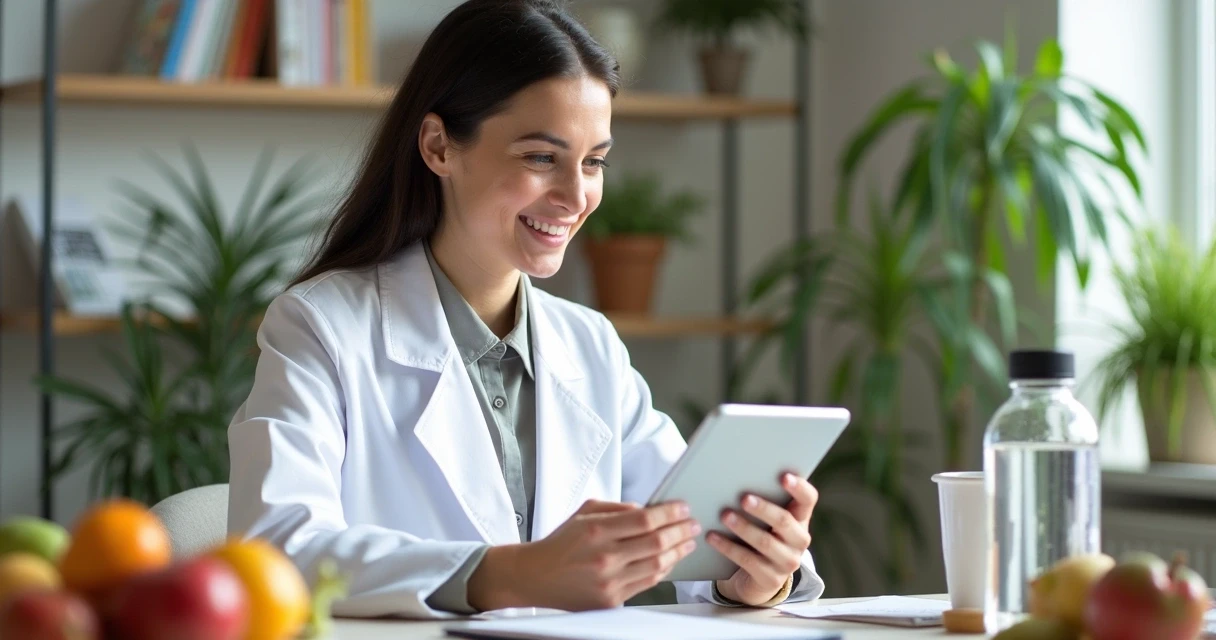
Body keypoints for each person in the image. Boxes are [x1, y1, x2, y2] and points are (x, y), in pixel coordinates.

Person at [226, 0, 825, 620]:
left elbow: (687, 530)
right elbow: (275, 551)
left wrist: (753, 573)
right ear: (438, 146)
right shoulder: (321, 327)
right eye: (542, 157)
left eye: (594, 162)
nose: (575, 196)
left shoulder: (589, 345)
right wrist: (508, 575)